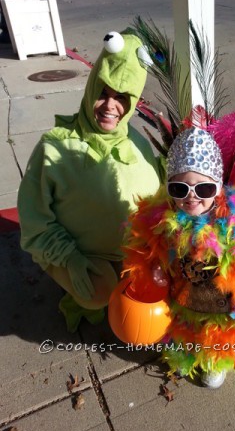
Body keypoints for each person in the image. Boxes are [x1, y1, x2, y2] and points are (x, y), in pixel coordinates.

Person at [121, 123, 235, 388]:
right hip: (181, 299)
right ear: (169, 189)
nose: (191, 198)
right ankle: (185, 356)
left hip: (220, 309)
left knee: (214, 341)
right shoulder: (162, 220)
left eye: (204, 189)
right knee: (184, 332)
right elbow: (149, 251)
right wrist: (154, 269)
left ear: (218, 188)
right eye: (180, 189)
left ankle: (213, 362)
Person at [17, 30, 162, 332]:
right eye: (103, 93)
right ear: (91, 86)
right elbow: (33, 220)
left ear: (134, 101)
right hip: (85, 258)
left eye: (122, 97)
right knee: (96, 295)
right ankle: (79, 289)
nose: (111, 106)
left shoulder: (139, 143)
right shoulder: (54, 147)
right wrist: (68, 259)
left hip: (134, 258)